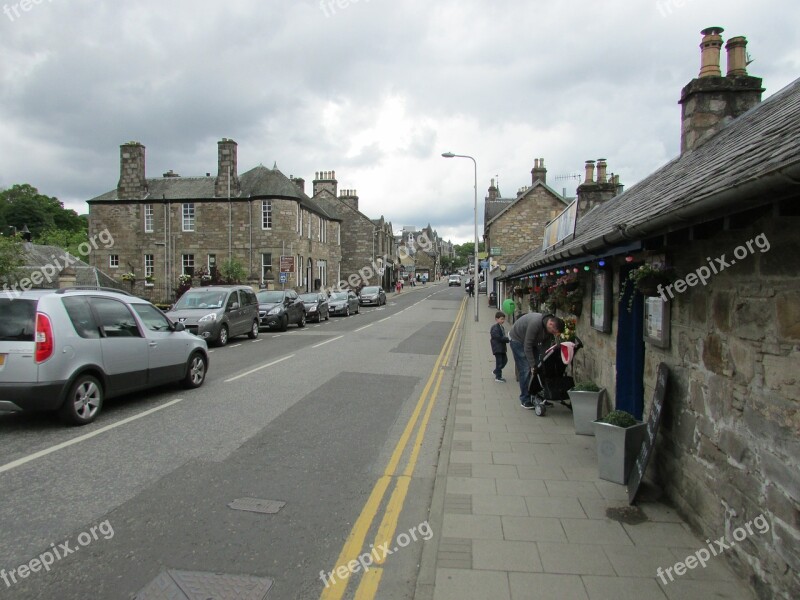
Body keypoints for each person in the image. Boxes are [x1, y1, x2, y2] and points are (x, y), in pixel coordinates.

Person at [508, 312, 565, 409]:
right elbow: (527, 346)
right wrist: (532, 365)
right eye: (554, 331)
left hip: (533, 342)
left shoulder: (549, 330)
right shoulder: (535, 323)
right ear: (550, 323)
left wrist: (542, 362)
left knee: (538, 368)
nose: (555, 334)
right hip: (517, 340)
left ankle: (537, 396)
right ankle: (525, 399)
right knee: (525, 369)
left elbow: (545, 347)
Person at [490, 311, 510, 382]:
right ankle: (498, 377)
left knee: (505, 361)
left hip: (502, 348)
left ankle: (496, 371)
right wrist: (508, 339)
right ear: (496, 319)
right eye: (501, 319)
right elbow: (498, 338)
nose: (503, 321)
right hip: (497, 348)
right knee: (499, 362)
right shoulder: (495, 328)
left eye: (503, 319)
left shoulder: (501, 327)